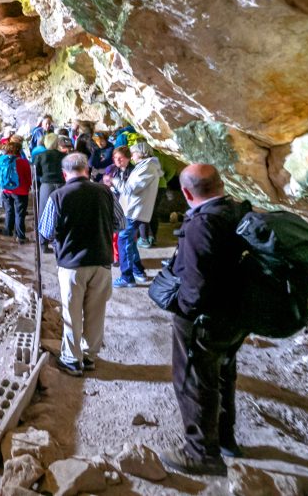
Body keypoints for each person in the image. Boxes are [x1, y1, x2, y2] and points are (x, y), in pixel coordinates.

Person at [160, 164, 251, 477]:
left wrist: (180, 307)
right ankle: (226, 438)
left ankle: (202, 453)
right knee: (223, 373)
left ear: (186, 193)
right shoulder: (238, 211)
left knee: (195, 380)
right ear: (221, 184)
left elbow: (196, 284)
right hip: (236, 312)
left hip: (203, 317)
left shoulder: (201, 224)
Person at [38, 153, 125, 376]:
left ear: (64, 174)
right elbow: (120, 223)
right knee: (96, 312)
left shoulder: (58, 196)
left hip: (72, 264)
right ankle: (89, 356)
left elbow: (45, 231)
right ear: (87, 170)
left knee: (72, 313)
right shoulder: (105, 192)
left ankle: (72, 358)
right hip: (102, 260)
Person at [111, 141, 162, 287]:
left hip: (135, 210)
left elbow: (130, 189)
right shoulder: (144, 166)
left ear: (142, 153)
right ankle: (138, 271)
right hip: (132, 209)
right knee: (130, 242)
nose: (132, 155)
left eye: (134, 152)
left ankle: (127, 277)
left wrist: (114, 181)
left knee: (124, 239)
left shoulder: (148, 167)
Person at [33, 133, 66, 250]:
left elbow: (36, 171)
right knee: (60, 212)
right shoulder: (63, 156)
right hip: (61, 184)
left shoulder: (41, 156)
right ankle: (59, 240)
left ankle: (43, 242)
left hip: (46, 184)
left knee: (43, 212)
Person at [0, 140, 32, 243]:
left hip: (6, 189)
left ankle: (8, 230)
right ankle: (20, 236)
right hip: (20, 191)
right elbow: (28, 177)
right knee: (20, 214)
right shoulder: (23, 162)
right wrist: (28, 187)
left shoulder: (3, 160)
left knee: (9, 210)